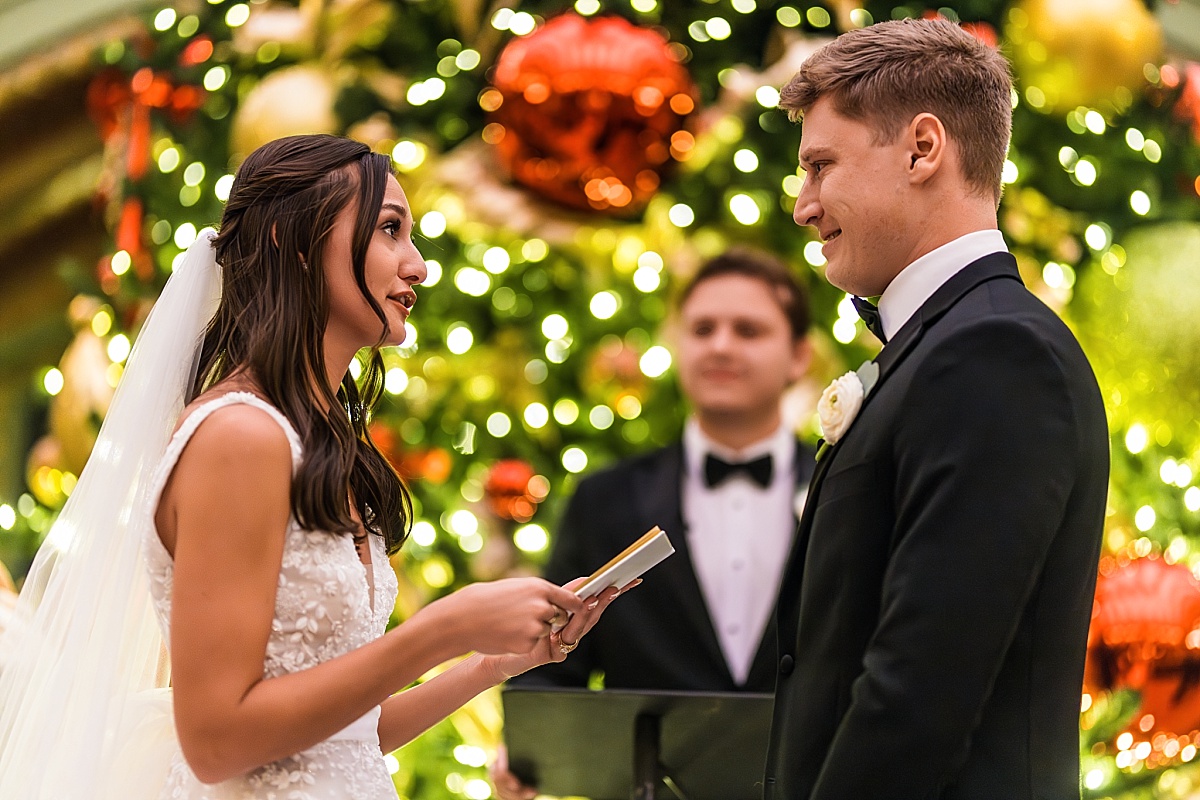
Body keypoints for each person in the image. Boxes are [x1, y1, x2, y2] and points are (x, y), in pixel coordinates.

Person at [0, 134, 627, 800]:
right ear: (294, 243)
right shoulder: (239, 435)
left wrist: (492, 664)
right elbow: (216, 742)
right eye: (390, 230)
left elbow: (346, 735)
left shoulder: (324, 447)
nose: (418, 266)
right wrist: (441, 628)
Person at [763, 18, 1109, 800]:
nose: (803, 206)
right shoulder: (950, 343)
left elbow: (919, 690)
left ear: (924, 149)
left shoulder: (993, 354)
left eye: (820, 166)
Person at [493, 248, 815, 800]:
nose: (720, 345)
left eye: (749, 330)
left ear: (799, 355)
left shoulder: (850, 491)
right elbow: (550, 659)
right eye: (703, 328)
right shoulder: (605, 500)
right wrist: (527, 744)